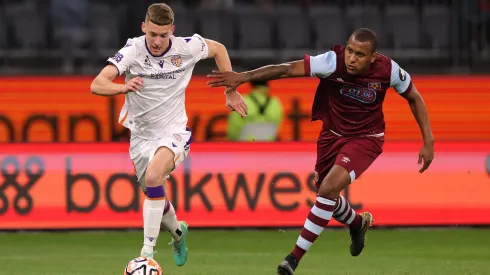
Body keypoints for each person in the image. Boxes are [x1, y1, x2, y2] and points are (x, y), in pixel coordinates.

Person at [207, 28, 434, 275]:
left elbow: (414, 97)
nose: (351, 58)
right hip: (331, 136)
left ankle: (292, 259)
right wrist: (243, 77)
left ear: (373, 57)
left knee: (327, 190)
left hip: (366, 139)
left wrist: (428, 141)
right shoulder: (331, 62)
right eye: (349, 51)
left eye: (359, 54)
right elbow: (285, 69)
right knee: (326, 195)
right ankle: (357, 223)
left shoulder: (389, 70)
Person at [90, 3, 248, 267]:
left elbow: (219, 49)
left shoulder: (187, 46)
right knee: (154, 193)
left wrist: (230, 91)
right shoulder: (133, 50)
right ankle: (178, 233)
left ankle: (146, 255)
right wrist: (123, 88)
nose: (157, 41)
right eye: (152, 34)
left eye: (164, 35)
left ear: (172, 31)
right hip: (141, 137)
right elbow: (97, 84)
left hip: (174, 132)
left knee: (153, 177)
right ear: (144, 27)